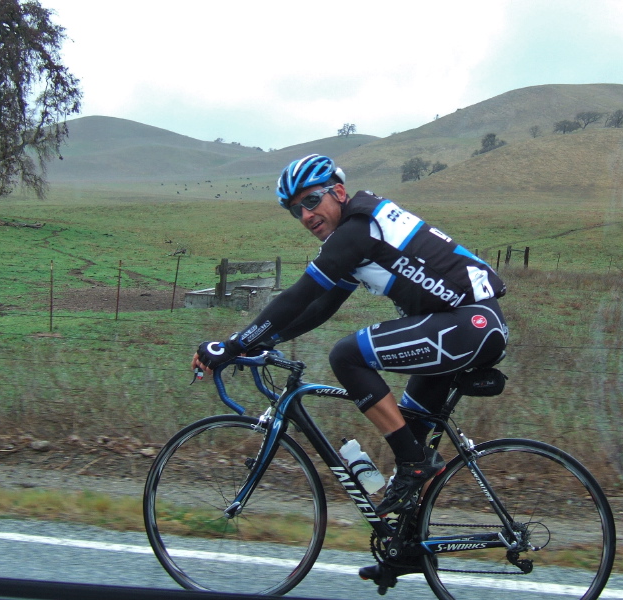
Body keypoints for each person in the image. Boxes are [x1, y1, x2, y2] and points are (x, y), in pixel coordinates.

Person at [192, 154, 508, 519]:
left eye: (312, 201)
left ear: (338, 192)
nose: (307, 216)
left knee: (346, 355)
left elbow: (300, 294)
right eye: (297, 211)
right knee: (411, 439)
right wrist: (263, 340)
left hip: (470, 324)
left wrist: (233, 345)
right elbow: (319, 308)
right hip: (460, 326)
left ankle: (414, 463)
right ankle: (403, 550)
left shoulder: (358, 230)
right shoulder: (359, 233)